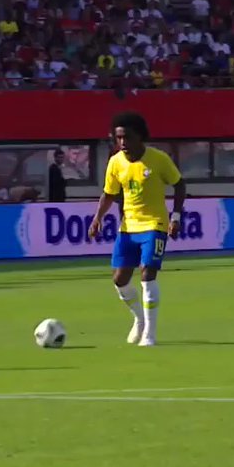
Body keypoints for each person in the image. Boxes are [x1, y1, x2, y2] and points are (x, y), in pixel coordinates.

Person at [88, 111, 186, 347]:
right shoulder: (115, 162)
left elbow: (179, 184)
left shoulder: (159, 159)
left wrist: (175, 216)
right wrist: (98, 218)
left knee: (147, 273)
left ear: (140, 136)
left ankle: (150, 333)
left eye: (127, 137)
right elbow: (109, 193)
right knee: (120, 279)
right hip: (128, 227)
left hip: (155, 224)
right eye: (118, 138)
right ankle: (139, 319)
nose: (122, 142)